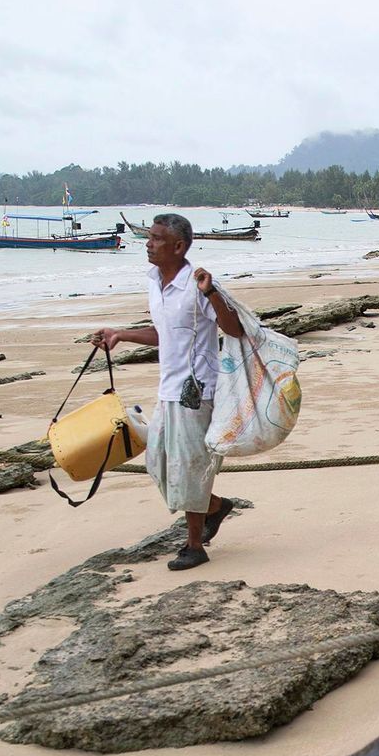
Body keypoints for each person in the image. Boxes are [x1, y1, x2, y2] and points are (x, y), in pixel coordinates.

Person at [93, 214, 246, 571]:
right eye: (149, 236)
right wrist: (121, 334)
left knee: (189, 467)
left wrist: (211, 293)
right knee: (158, 462)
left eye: (157, 238)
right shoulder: (154, 281)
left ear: (179, 247)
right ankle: (215, 507)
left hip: (197, 391)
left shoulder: (199, 285)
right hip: (167, 389)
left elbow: (234, 329)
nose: (149, 243)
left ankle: (194, 545)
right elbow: (165, 332)